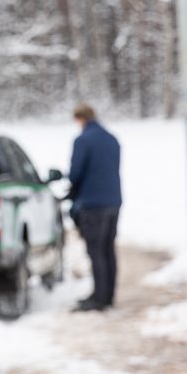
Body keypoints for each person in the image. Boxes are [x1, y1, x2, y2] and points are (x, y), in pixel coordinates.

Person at [67, 102, 122, 312]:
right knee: (108, 248)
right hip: (114, 201)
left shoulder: (83, 140)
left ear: (80, 119)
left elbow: (75, 174)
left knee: (96, 250)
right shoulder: (112, 138)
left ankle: (98, 298)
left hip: (93, 203)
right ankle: (108, 295)